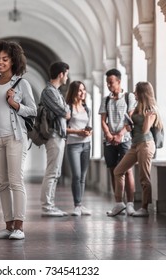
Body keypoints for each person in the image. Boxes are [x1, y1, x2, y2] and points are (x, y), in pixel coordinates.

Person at [0, 40, 36, 240]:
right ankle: (8, 225)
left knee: (15, 180)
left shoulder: (21, 83)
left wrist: (14, 103)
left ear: (13, 61)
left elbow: (33, 110)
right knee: (2, 182)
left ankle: (19, 227)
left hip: (15, 137)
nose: (0, 62)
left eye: (5, 59)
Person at [111, 81, 162, 217]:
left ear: (142, 93)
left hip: (146, 144)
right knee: (118, 171)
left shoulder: (151, 110)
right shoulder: (138, 106)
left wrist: (146, 117)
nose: (134, 94)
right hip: (135, 144)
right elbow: (134, 126)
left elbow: (145, 130)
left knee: (144, 177)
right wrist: (129, 124)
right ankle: (119, 204)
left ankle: (145, 208)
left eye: (136, 91)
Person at [98, 68, 136, 216]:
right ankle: (119, 204)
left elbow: (130, 121)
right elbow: (102, 120)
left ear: (119, 82)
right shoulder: (105, 100)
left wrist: (120, 134)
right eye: (107, 83)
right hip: (109, 141)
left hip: (125, 140)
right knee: (113, 171)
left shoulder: (129, 98)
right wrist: (108, 134)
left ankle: (131, 204)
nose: (109, 85)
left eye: (111, 82)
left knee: (127, 171)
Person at [40, 62, 71, 217]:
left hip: (59, 135)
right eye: (66, 74)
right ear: (61, 74)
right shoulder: (49, 92)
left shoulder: (56, 92)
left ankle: (50, 205)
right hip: (54, 135)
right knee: (52, 171)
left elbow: (66, 110)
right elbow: (64, 111)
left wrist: (65, 110)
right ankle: (47, 206)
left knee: (56, 171)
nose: (67, 77)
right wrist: (65, 110)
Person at [65, 81, 92, 216]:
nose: (83, 93)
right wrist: (78, 132)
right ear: (74, 92)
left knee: (82, 177)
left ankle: (80, 205)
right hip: (73, 145)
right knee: (76, 176)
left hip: (86, 144)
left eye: (84, 90)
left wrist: (87, 132)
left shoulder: (87, 108)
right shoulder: (68, 108)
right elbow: (63, 129)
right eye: (80, 90)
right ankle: (76, 205)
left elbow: (88, 125)